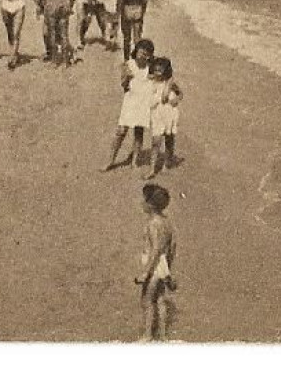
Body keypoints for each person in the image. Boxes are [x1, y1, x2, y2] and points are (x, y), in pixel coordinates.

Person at [105, 38, 157, 171]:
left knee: (138, 133)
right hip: (130, 101)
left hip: (143, 103)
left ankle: (135, 161)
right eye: (141, 52)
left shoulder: (151, 69)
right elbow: (123, 85)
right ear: (136, 51)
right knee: (121, 131)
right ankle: (110, 160)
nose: (143, 56)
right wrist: (126, 77)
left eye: (146, 54)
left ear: (150, 55)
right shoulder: (129, 65)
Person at [137, 184, 178, 341]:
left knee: (147, 300)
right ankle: (163, 335)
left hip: (153, 266)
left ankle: (147, 335)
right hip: (163, 265)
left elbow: (155, 249)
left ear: (149, 204)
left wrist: (145, 272)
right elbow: (172, 246)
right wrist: (168, 268)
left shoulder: (153, 224)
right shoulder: (167, 223)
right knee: (160, 299)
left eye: (143, 200)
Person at [146, 56, 183, 178]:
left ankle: (167, 162)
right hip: (157, 114)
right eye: (155, 70)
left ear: (165, 71)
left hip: (169, 113)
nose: (157, 73)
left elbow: (180, 93)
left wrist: (176, 99)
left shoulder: (169, 83)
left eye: (160, 71)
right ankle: (152, 169)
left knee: (169, 138)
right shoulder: (151, 81)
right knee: (156, 141)